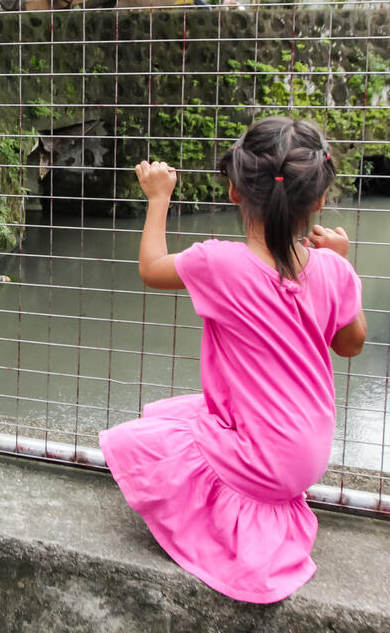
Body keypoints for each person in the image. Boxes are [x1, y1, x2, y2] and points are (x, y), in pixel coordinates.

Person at [99, 116, 367, 604]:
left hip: (266, 459)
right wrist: (344, 263)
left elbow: (150, 269)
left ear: (234, 192)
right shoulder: (334, 268)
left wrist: (159, 198)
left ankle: (243, 504)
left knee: (145, 440)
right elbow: (350, 344)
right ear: (321, 199)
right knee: (185, 411)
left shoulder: (219, 262)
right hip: (310, 454)